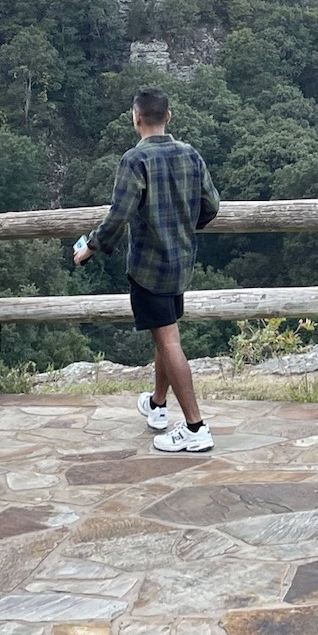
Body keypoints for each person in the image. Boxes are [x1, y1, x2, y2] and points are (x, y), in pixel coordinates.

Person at [74, 88, 220, 453]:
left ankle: (195, 427)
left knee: (169, 342)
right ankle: (157, 406)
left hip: (148, 266)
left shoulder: (133, 161)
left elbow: (118, 215)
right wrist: (185, 226)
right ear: (168, 116)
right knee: (164, 334)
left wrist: (91, 247)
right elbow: (211, 205)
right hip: (181, 261)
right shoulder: (190, 154)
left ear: (135, 118)